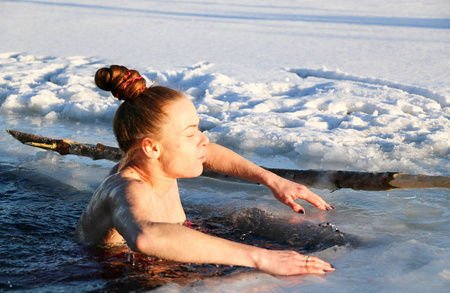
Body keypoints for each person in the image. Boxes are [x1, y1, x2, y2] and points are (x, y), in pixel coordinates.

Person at [75, 65, 335, 276]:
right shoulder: (126, 187)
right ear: (152, 148)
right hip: (110, 276)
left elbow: (208, 154)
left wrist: (272, 180)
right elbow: (146, 237)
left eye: (197, 128)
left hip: (158, 263)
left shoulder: (156, 164)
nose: (204, 140)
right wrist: (260, 258)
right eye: (190, 134)